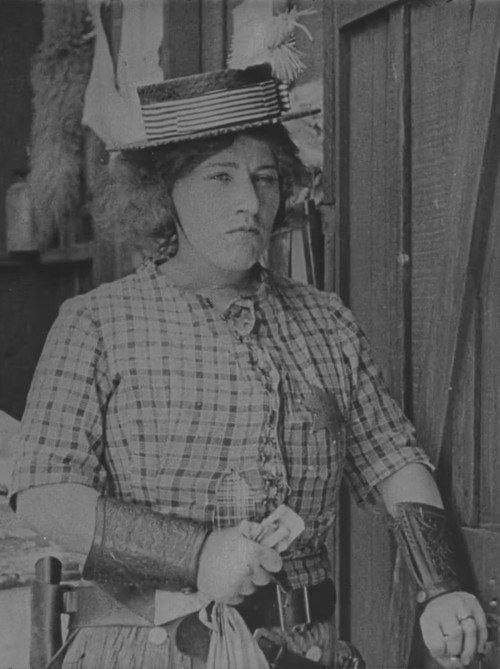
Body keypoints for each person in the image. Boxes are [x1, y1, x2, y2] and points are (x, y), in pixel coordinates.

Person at [10, 63, 487, 669]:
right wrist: (200, 554)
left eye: (265, 179)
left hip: (300, 651)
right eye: (220, 177)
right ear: (163, 190)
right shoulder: (96, 322)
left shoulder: (327, 322)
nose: (249, 202)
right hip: (147, 651)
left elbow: (394, 460)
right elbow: (44, 492)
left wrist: (443, 587)